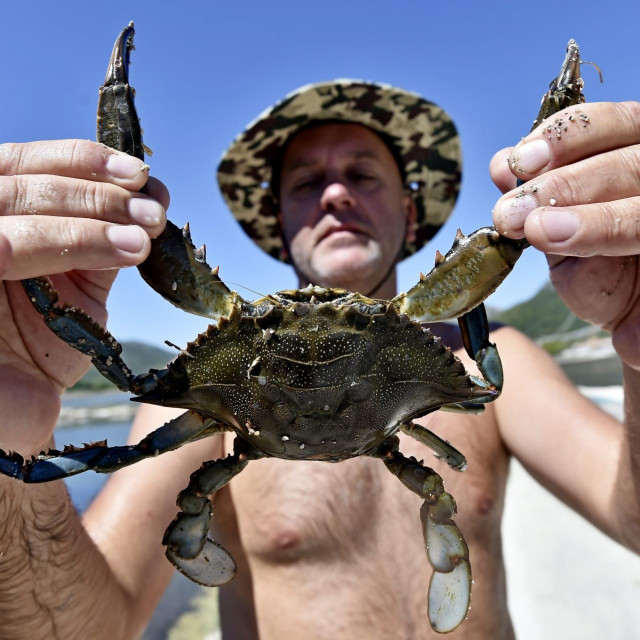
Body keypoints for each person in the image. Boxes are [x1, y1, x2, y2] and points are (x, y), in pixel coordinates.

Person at [0, 75, 639, 640]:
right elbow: (73, 630)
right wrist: (16, 429)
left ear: (409, 209)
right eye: (307, 182)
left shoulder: (498, 363)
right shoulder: (202, 424)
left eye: (362, 174)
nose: (335, 194)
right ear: (279, 222)